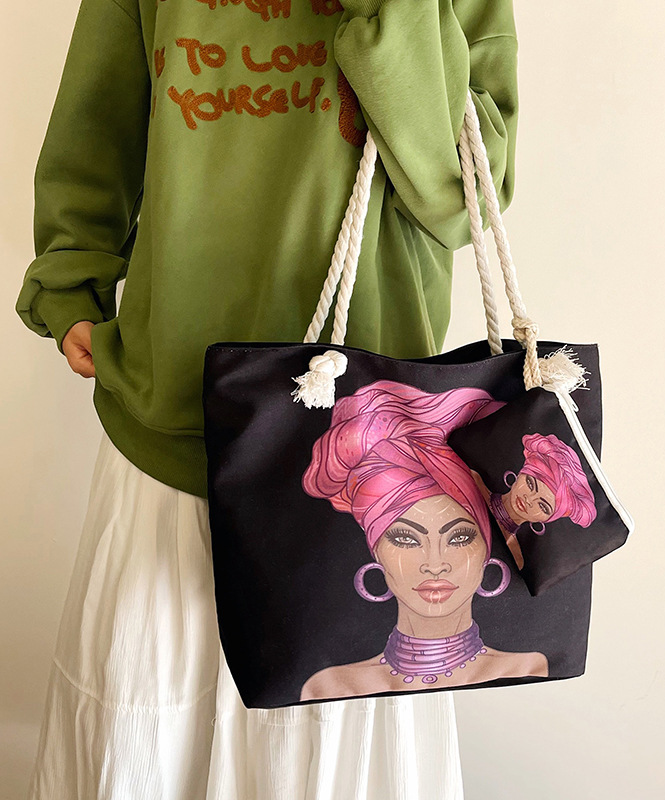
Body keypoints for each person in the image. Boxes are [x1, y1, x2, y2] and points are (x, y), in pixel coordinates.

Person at [14, 0, 519, 796]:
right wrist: (71, 277)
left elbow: (463, 197)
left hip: (367, 446)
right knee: (149, 730)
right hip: (173, 422)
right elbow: (99, 118)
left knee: (324, 759)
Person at [299, 379, 548, 702]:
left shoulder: (531, 665)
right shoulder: (325, 685)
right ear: (376, 550)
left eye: (459, 537)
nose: (435, 564)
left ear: (488, 547)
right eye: (406, 538)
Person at [471, 433, 596, 571]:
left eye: (543, 506)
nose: (529, 499)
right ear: (521, 473)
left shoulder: (516, 558)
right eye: (530, 484)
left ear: (548, 519)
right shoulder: (473, 480)